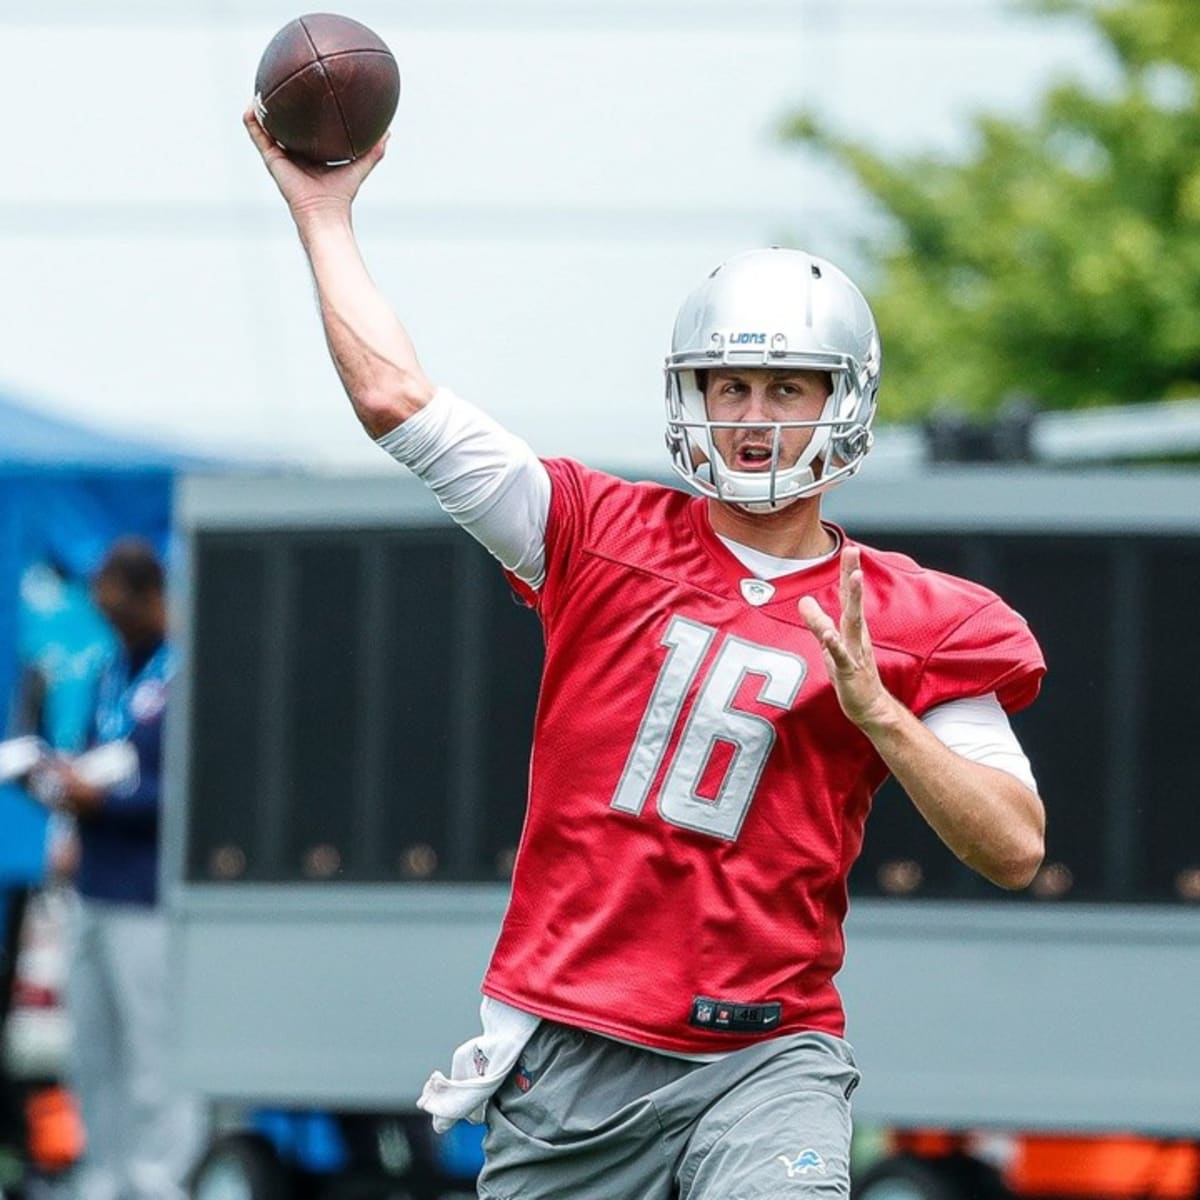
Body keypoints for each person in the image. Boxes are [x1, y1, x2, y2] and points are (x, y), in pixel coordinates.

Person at [245, 111, 1046, 1200]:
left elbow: (1014, 848)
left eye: (785, 388)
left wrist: (880, 712)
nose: (753, 417)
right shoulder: (592, 532)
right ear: (692, 397)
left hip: (767, 1058)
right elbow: (395, 400)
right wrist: (324, 214)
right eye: (730, 387)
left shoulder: (907, 614)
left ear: (842, 402)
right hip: (574, 1052)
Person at [30, 539, 202, 1200]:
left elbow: (186, 789)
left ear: (153, 600)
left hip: (151, 894)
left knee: (152, 1053)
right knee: (93, 1053)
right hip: (94, 886)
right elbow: (99, 753)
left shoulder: (183, 675)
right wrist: (65, 799)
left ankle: (160, 1181)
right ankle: (101, 1177)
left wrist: (111, 800)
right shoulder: (110, 669)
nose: (113, 624)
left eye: (122, 612)